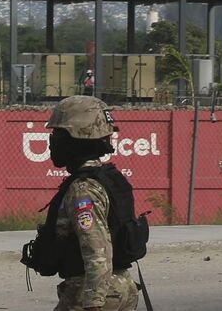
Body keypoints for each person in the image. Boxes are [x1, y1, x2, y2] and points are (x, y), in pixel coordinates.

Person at [43, 95, 139, 311]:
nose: (53, 141)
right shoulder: (109, 179)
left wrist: (94, 303)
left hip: (94, 293)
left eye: (58, 134)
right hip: (121, 287)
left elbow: (96, 250)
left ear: (76, 137)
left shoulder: (83, 189)